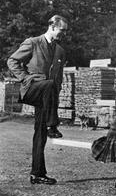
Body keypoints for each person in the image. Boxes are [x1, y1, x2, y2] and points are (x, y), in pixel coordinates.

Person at [7, 15, 69, 185]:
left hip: (47, 95)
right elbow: (12, 61)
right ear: (52, 26)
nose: (64, 34)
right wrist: (25, 78)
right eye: (62, 30)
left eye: (65, 31)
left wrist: (56, 93)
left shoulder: (60, 51)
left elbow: (58, 77)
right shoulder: (33, 42)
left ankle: (37, 173)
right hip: (32, 89)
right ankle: (52, 125)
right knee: (48, 85)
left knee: (40, 134)